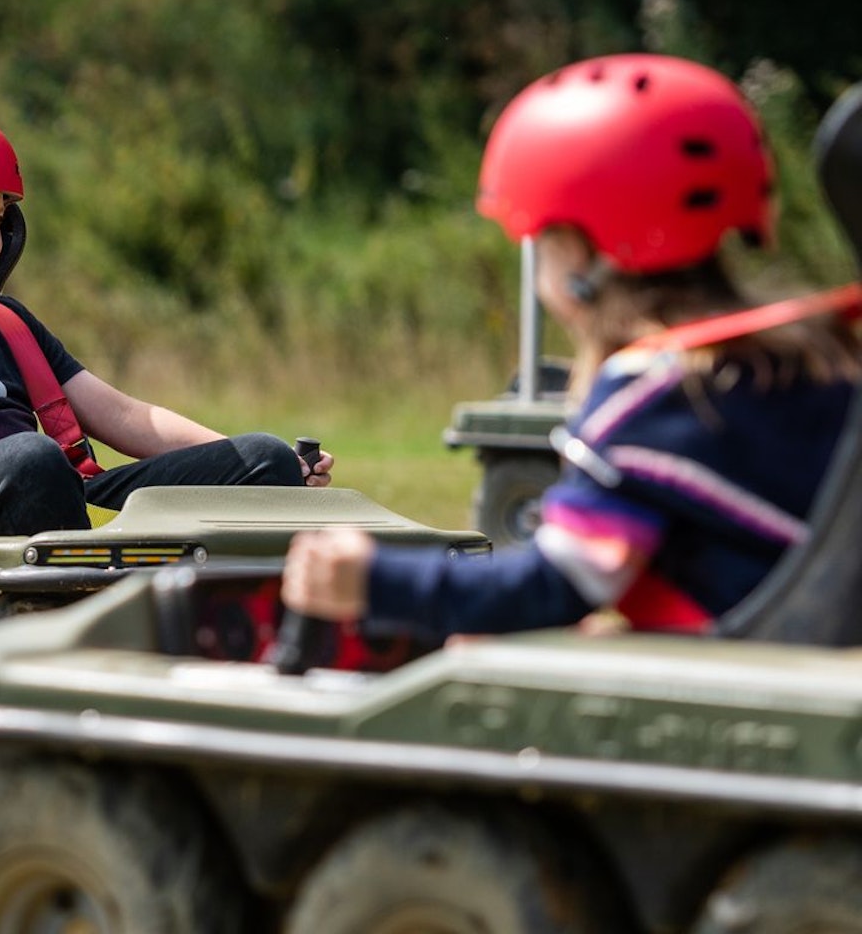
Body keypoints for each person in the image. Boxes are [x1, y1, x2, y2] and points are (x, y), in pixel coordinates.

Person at [282, 53, 859, 642]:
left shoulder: (654, 398)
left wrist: (377, 581)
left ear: (583, 254)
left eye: (537, 242)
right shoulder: (814, 359)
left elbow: (555, 584)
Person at [0, 105, 332, 536]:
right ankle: (96, 602)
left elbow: (127, 417)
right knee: (32, 458)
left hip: (55, 495)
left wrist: (238, 454)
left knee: (263, 457)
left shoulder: (5, 321)